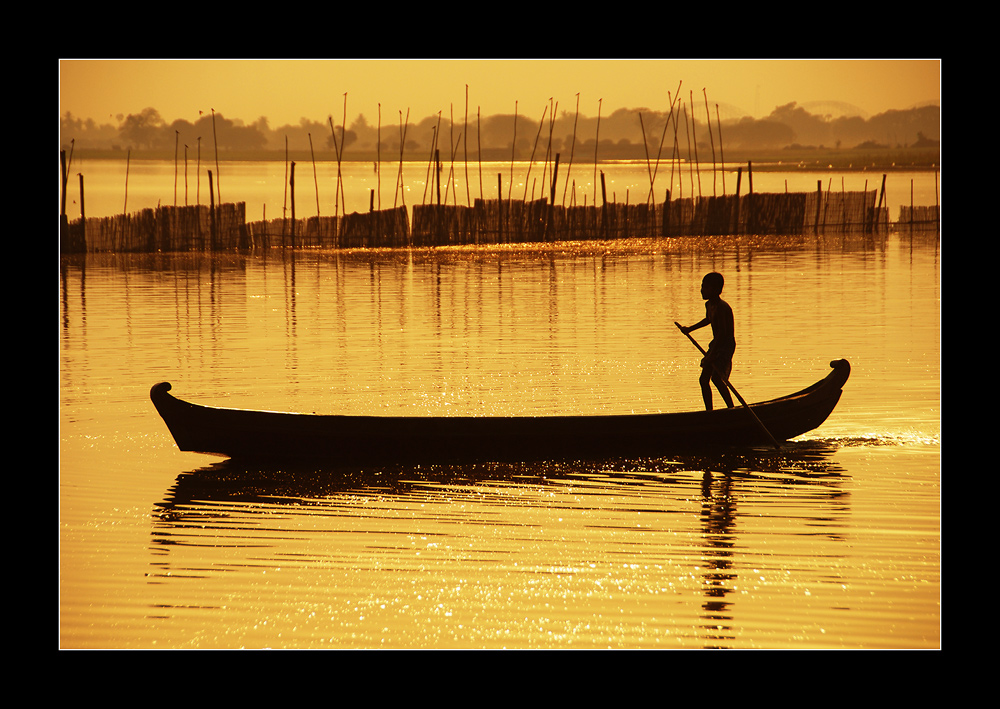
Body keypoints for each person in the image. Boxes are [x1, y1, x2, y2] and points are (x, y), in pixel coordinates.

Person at [680, 272, 736, 410]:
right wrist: (690, 329)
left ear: (716, 290)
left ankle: (732, 409)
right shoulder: (709, 305)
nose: (701, 290)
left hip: (725, 347)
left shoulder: (722, 308)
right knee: (703, 380)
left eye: (705, 287)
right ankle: (709, 412)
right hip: (716, 344)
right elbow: (708, 320)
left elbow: (722, 335)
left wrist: (711, 356)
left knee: (717, 379)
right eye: (702, 287)